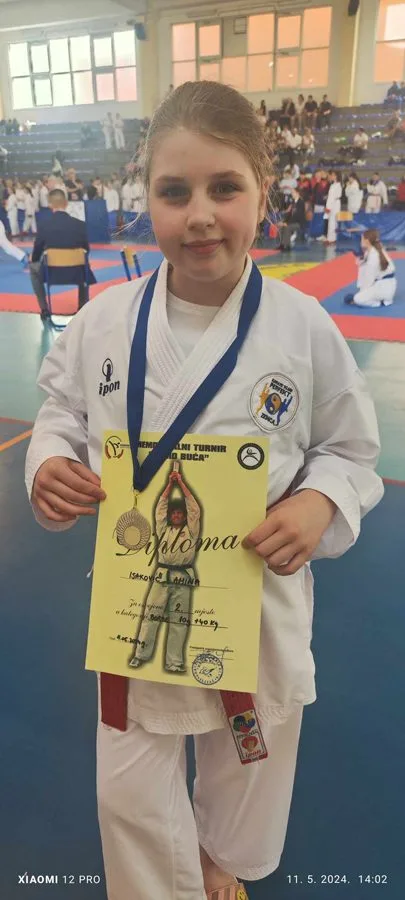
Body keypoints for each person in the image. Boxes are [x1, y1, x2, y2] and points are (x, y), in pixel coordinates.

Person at [25, 81, 383, 900]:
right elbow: (61, 411)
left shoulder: (300, 325)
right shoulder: (102, 320)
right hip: (135, 599)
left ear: (262, 187)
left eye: (224, 188)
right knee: (126, 792)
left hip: (252, 597)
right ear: (143, 196)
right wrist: (47, 462)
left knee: (247, 759)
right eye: (173, 191)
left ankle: (220, 858)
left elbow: (350, 449)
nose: (199, 216)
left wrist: (320, 501)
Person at [129, 468, 201, 672]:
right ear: (170, 516)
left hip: (183, 577)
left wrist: (181, 484)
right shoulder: (163, 529)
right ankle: (140, 655)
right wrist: (170, 485)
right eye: (174, 513)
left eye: (180, 513)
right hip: (162, 576)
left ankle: (174, 662)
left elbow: (194, 509)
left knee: (179, 621)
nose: (177, 515)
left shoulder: (191, 531)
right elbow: (160, 508)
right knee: (151, 616)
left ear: (184, 516)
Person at [29, 188, 95, 322]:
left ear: (50, 205)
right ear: (66, 203)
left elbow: (36, 255)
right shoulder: (80, 225)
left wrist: (33, 258)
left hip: (50, 273)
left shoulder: (44, 225)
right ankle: (82, 307)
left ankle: (44, 309)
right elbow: (86, 251)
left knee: (33, 268)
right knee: (84, 264)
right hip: (77, 273)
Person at [344, 229, 396, 308]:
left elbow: (369, 279)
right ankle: (378, 297)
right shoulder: (374, 251)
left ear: (367, 241)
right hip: (387, 285)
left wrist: (362, 293)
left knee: (358, 299)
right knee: (363, 267)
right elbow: (362, 266)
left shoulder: (373, 256)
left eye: (362, 239)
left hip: (384, 288)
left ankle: (381, 302)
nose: (361, 241)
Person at [318, 170, 342, 244]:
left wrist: (328, 207)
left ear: (337, 176)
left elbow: (333, 197)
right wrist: (328, 206)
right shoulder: (333, 185)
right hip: (332, 203)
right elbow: (330, 197)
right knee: (331, 221)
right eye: (332, 175)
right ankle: (330, 238)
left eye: (333, 175)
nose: (332, 176)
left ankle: (332, 239)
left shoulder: (338, 185)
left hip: (334, 204)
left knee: (333, 222)